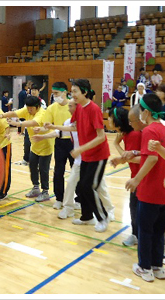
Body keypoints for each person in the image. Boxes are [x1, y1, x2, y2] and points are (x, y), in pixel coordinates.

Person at [125, 93, 165, 282]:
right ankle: (158, 267)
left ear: (146, 112)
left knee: (145, 231)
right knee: (158, 232)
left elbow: (152, 158)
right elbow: (154, 154)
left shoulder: (149, 130)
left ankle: (144, 268)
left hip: (151, 192)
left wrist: (136, 180)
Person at [48, 79, 111, 232]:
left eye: (75, 91)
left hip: (98, 155)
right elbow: (74, 127)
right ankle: (87, 217)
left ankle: (103, 217)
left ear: (84, 92)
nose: (72, 94)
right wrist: (54, 127)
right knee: (82, 187)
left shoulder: (94, 109)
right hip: (86, 155)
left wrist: (81, 149)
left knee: (90, 187)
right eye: (72, 91)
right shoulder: (79, 109)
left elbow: (101, 136)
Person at [0, 96, 52, 202]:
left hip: (46, 146)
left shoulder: (42, 113)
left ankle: (45, 192)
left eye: (31, 108)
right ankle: (36, 188)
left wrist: (18, 124)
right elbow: (14, 113)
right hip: (34, 146)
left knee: (43, 170)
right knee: (33, 166)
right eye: (28, 108)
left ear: (38, 107)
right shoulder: (27, 110)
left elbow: (33, 122)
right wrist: (2, 115)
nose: (29, 110)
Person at [31, 82, 73, 209]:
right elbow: (47, 126)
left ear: (65, 93)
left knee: (76, 172)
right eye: (53, 93)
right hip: (59, 141)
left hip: (73, 142)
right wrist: (40, 130)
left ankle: (78, 199)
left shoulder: (73, 106)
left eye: (57, 93)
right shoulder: (52, 108)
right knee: (58, 171)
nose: (55, 96)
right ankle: (59, 198)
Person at [108, 106, 143, 247]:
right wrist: (120, 159)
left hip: (141, 177)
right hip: (137, 175)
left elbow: (132, 157)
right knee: (134, 207)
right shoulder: (128, 134)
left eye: (110, 117)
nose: (108, 119)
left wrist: (116, 144)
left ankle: (138, 236)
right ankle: (137, 235)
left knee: (136, 208)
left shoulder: (134, 134)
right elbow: (129, 156)